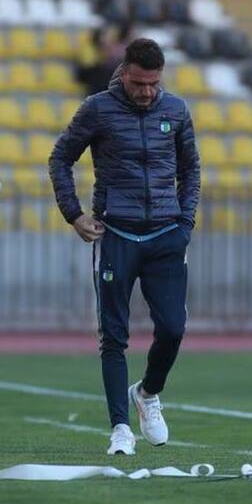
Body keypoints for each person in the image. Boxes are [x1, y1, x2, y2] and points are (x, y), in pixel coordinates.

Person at [49, 38, 200, 455]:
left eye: (153, 84)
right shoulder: (97, 108)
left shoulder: (176, 111)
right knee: (113, 336)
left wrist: (184, 222)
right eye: (138, 83)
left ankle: (148, 393)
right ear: (124, 71)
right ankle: (119, 428)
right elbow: (60, 158)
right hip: (116, 235)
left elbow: (190, 169)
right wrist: (74, 214)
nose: (146, 91)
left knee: (173, 328)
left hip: (166, 236)